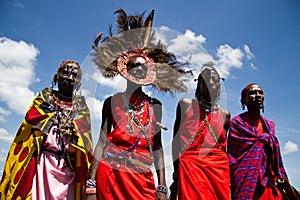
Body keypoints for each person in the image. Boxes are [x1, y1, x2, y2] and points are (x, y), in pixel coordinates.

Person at [87, 9, 190, 200]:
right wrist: (90, 185)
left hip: (141, 178)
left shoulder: (155, 106)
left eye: (143, 68)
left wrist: (162, 186)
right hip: (110, 176)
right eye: (135, 66)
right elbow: (101, 142)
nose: (139, 71)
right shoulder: (111, 103)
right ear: (125, 69)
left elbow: (158, 147)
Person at [0, 60, 93, 200]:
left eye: (75, 75)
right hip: (43, 165)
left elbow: (85, 141)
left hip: (69, 167)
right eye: (65, 73)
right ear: (56, 77)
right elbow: (28, 129)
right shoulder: (43, 99)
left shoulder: (81, 107)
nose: (69, 77)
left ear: (79, 83)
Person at [227, 83, 300, 200]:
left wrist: (279, 175)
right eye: (252, 93)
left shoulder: (269, 125)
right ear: (243, 100)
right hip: (247, 180)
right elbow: (234, 157)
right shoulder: (237, 123)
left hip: (270, 182)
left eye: (260, 92)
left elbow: (274, 155)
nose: (257, 95)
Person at [170, 62, 231, 200]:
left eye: (214, 79)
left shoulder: (225, 115)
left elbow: (223, 150)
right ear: (199, 84)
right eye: (206, 79)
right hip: (190, 169)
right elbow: (175, 142)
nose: (210, 82)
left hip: (218, 173)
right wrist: (176, 171)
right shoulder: (186, 105)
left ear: (219, 86)